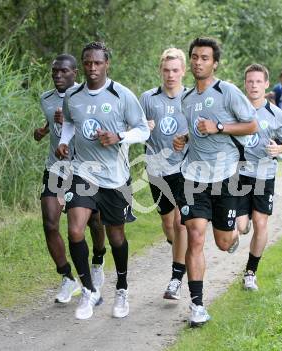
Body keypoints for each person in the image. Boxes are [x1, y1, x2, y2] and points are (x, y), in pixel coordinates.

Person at [56, 42, 150, 320]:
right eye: (87, 63)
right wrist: (64, 142)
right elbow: (70, 122)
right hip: (83, 172)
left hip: (115, 177)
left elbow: (143, 130)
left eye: (97, 63)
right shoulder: (73, 95)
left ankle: (121, 287)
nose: (92, 68)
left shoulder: (121, 95)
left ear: (107, 64)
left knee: (116, 235)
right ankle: (89, 290)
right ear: (82, 65)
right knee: (75, 231)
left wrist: (119, 137)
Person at [172, 37, 257, 327]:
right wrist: (183, 139)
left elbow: (251, 124)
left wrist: (219, 127)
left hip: (226, 175)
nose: (198, 62)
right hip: (193, 177)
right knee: (195, 236)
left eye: (204, 58)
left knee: (222, 242)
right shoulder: (185, 99)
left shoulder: (228, 91)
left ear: (214, 63)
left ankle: (234, 232)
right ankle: (197, 306)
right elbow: (192, 131)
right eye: (194, 57)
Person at [34, 54, 106, 304]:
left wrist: (70, 122)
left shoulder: (86, 96)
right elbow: (49, 123)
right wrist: (42, 131)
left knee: (94, 222)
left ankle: (98, 260)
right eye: (54, 71)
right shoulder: (45, 98)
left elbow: (94, 126)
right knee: (50, 224)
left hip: (84, 168)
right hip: (56, 168)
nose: (57, 75)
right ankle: (67, 277)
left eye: (63, 71)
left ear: (75, 73)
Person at [236, 63, 282, 291]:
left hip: (264, 175)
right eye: (250, 81)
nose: (254, 85)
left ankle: (250, 272)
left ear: (266, 84)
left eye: (258, 81)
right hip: (238, 175)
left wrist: (279, 150)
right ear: (245, 83)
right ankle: (243, 223)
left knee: (261, 223)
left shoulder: (275, 113)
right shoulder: (236, 109)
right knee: (241, 228)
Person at [139, 48, 188, 300]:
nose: (171, 75)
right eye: (167, 70)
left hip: (184, 167)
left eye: (175, 70)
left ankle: (176, 278)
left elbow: (203, 132)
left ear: (183, 71)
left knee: (181, 222)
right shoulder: (148, 98)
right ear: (161, 70)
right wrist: (142, 127)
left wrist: (187, 137)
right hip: (156, 168)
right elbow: (132, 127)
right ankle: (179, 250)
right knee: (168, 224)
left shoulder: (191, 98)